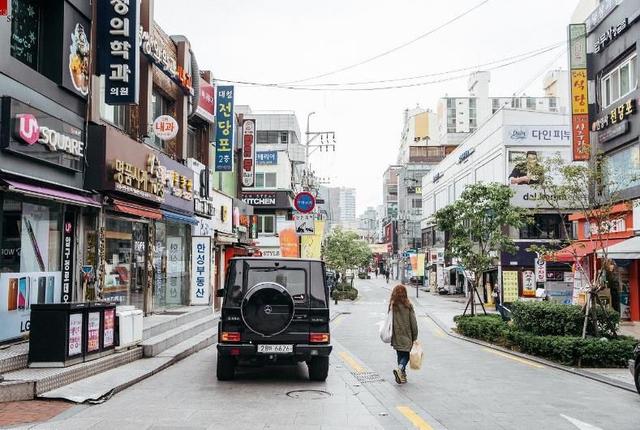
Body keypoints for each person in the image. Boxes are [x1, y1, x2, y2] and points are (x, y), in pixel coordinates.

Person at [388, 284, 418, 384]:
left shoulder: (392, 305)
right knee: (407, 355)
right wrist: (415, 336)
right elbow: (413, 322)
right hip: (407, 334)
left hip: (396, 335)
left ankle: (402, 376)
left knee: (400, 355)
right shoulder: (408, 305)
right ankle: (400, 369)